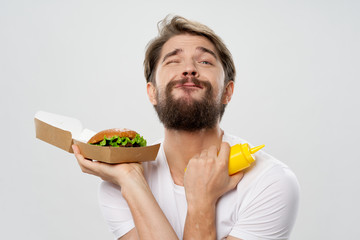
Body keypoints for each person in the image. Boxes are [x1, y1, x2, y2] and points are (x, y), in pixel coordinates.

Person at [72, 15, 300, 240]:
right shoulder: (120, 185)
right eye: (173, 61)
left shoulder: (269, 181)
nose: (189, 69)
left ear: (227, 92)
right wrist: (131, 180)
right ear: (152, 92)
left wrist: (202, 201)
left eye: (204, 62)